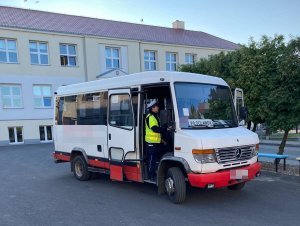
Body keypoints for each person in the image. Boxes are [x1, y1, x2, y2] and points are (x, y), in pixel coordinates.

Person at [145, 100, 167, 182]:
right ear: (152, 108)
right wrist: (165, 129)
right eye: (156, 106)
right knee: (152, 159)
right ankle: (151, 176)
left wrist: (162, 140)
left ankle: (156, 173)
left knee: (156, 158)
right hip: (151, 142)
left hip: (156, 141)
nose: (158, 107)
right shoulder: (150, 117)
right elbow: (155, 129)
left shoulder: (155, 116)